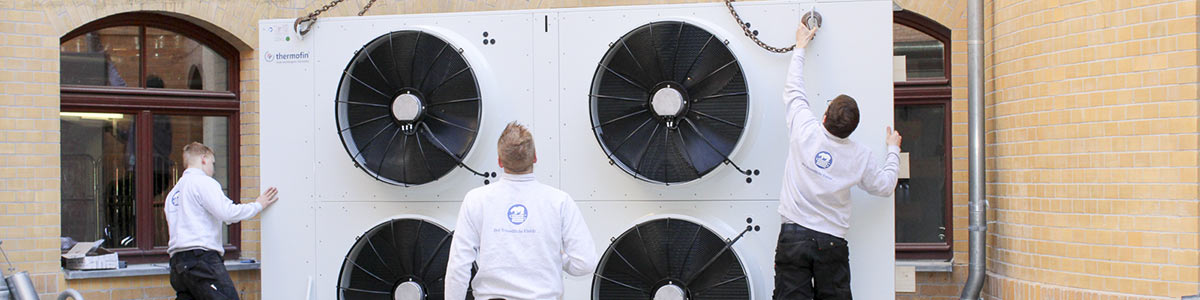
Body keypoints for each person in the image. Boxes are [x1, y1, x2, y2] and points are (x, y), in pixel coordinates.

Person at [773, 23, 903, 300]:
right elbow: (884, 186)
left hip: (793, 236)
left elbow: (794, 89)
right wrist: (892, 150)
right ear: (852, 128)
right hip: (831, 242)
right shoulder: (860, 155)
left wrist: (800, 47)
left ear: (824, 116)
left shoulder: (804, 130)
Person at [446, 122, 598, 300]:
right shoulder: (559, 202)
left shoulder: (476, 200)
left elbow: (459, 266)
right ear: (534, 158)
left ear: (500, 161)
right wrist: (558, 256)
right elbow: (585, 264)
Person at [165, 142, 279, 300]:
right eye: (212, 163)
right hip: (201, 261)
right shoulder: (203, 182)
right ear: (204, 159)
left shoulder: (173, 194)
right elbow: (228, 213)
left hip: (178, 266)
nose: (213, 169)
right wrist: (258, 205)